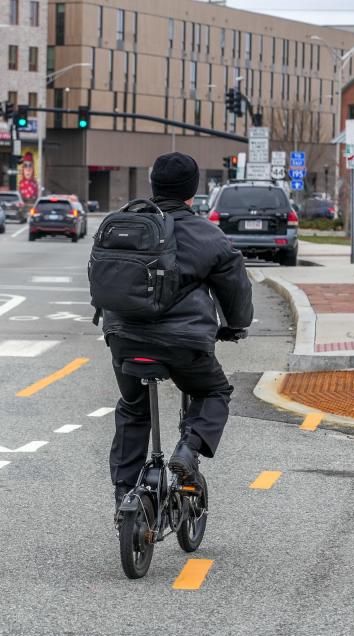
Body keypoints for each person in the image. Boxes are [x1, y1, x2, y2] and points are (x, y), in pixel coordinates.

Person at [102, 152, 254, 513]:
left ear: (153, 184)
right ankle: (187, 449)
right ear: (193, 190)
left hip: (123, 338)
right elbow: (235, 289)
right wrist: (235, 325)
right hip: (183, 343)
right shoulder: (207, 234)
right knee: (214, 390)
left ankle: (126, 493)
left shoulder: (123, 224)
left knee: (132, 408)